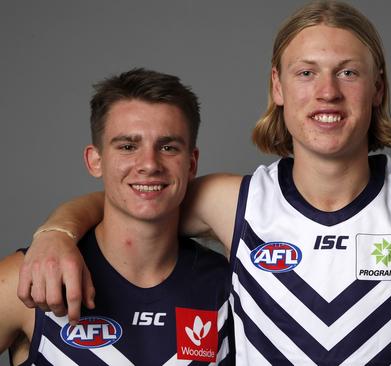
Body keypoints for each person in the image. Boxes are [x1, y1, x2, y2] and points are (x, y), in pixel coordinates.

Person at [17, 2, 391, 365]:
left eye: (348, 72)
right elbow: (130, 194)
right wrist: (54, 233)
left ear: (378, 88)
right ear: (279, 89)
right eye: (306, 72)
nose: (328, 92)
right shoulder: (232, 201)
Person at [0, 68, 232, 365]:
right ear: (95, 161)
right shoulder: (32, 275)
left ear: (191, 163)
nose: (149, 164)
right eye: (127, 146)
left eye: (168, 147)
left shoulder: (227, 287)